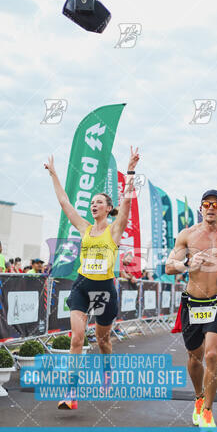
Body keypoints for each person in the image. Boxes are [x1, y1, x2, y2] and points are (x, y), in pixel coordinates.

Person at [44, 146, 140, 410]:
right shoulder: (85, 228)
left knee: (102, 340)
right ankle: (71, 394)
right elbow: (65, 203)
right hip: (83, 285)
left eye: (100, 202)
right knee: (77, 338)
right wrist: (54, 174)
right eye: (92, 202)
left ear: (109, 208)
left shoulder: (114, 231)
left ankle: (107, 369)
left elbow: (128, 203)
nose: (94, 204)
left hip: (105, 289)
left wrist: (131, 169)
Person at [166, 189, 217, 430]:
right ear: (200, 209)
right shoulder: (187, 235)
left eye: (215, 204)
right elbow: (169, 266)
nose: (210, 207)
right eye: (205, 204)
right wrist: (187, 264)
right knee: (194, 358)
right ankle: (199, 397)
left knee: (211, 354)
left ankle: (209, 413)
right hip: (193, 302)